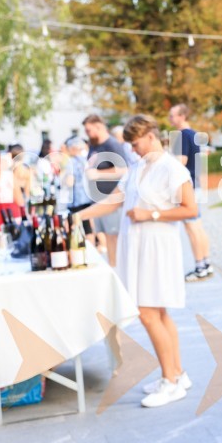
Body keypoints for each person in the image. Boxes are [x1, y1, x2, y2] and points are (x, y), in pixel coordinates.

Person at [78, 115, 197, 407]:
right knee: (158, 313)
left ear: (151, 136)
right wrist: (78, 217)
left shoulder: (172, 169)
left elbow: (190, 209)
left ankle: (170, 381)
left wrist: (151, 214)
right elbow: (115, 201)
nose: (133, 149)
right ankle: (177, 374)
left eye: (135, 143)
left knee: (148, 313)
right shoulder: (138, 167)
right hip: (138, 246)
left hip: (158, 246)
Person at [168, 104, 214, 281]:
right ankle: (206, 263)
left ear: (182, 116)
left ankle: (199, 266)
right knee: (198, 226)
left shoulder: (181, 136)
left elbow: (180, 162)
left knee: (191, 227)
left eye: (172, 116)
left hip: (188, 186)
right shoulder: (194, 134)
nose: (170, 119)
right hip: (197, 183)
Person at [83, 114, 131, 267]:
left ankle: (117, 269)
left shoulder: (112, 145)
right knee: (106, 236)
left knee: (113, 237)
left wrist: (99, 174)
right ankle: (112, 265)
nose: (87, 134)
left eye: (89, 130)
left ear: (99, 126)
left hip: (111, 199)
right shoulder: (94, 145)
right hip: (98, 199)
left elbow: (123, 169)